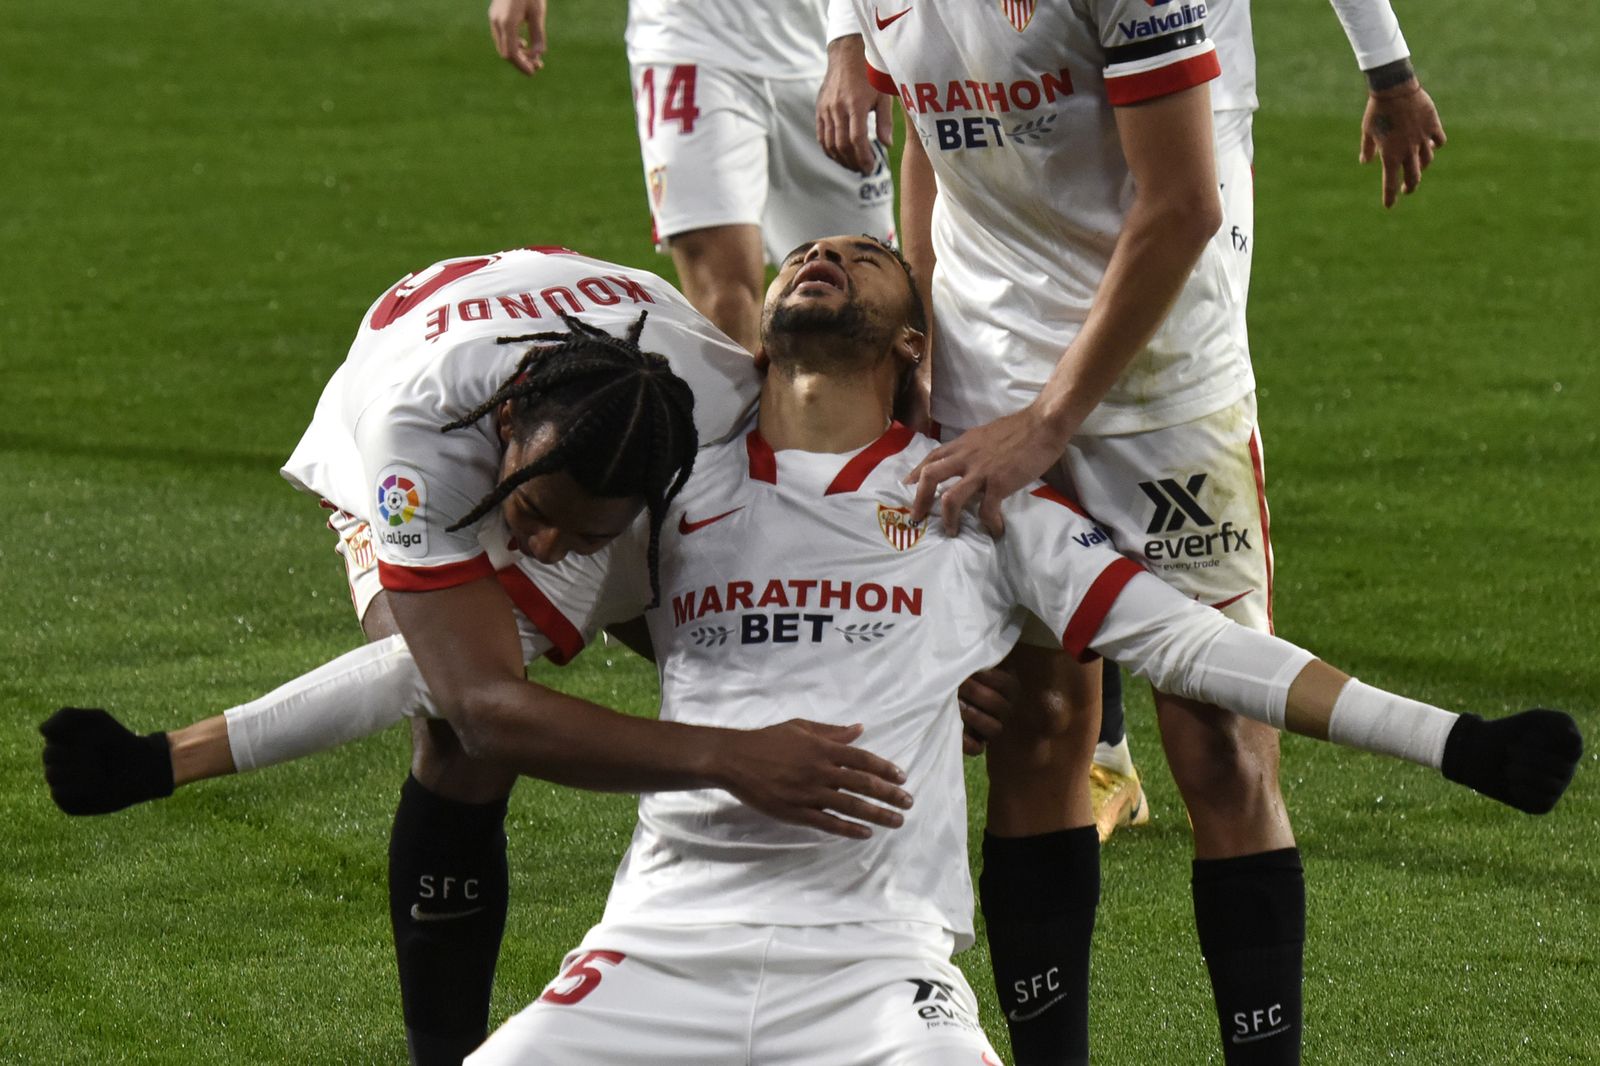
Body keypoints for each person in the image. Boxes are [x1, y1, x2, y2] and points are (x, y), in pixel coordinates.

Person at [43, 236, 1583, 1063]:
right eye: (815, 250)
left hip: (879, 981)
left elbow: (1201, 649)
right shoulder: (675, 480)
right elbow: (439, 677)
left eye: (864, 253)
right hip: (650, 955)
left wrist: (1455, 740)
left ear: (916, 348)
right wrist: (169, 758)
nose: (825, 251)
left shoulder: (979, 504)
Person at [37, 245, 919, 1066]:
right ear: (506, 426)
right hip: (399, 383)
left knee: (681, 601)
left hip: (590, 372)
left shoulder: (720, 404)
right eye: (532, 514)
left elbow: (814, 527)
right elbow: (473, 699)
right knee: (461, 736)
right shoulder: (413, 441)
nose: (536, 543)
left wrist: (933, 659)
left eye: (583, 535)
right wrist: (729, 758)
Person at [817, 0, 1447, 843]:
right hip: (994, 351)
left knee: (1217, 734)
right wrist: (929, 347)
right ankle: (1106, 744)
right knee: (1034, 729)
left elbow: (1184, 202)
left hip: (1167, 337)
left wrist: (1390, 69)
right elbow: (934, 150)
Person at [487, 0, 896, 352]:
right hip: (687, 41)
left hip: (825, 41)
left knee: (865, 297)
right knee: (724, 295)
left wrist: (852, 42)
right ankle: (728, 441)